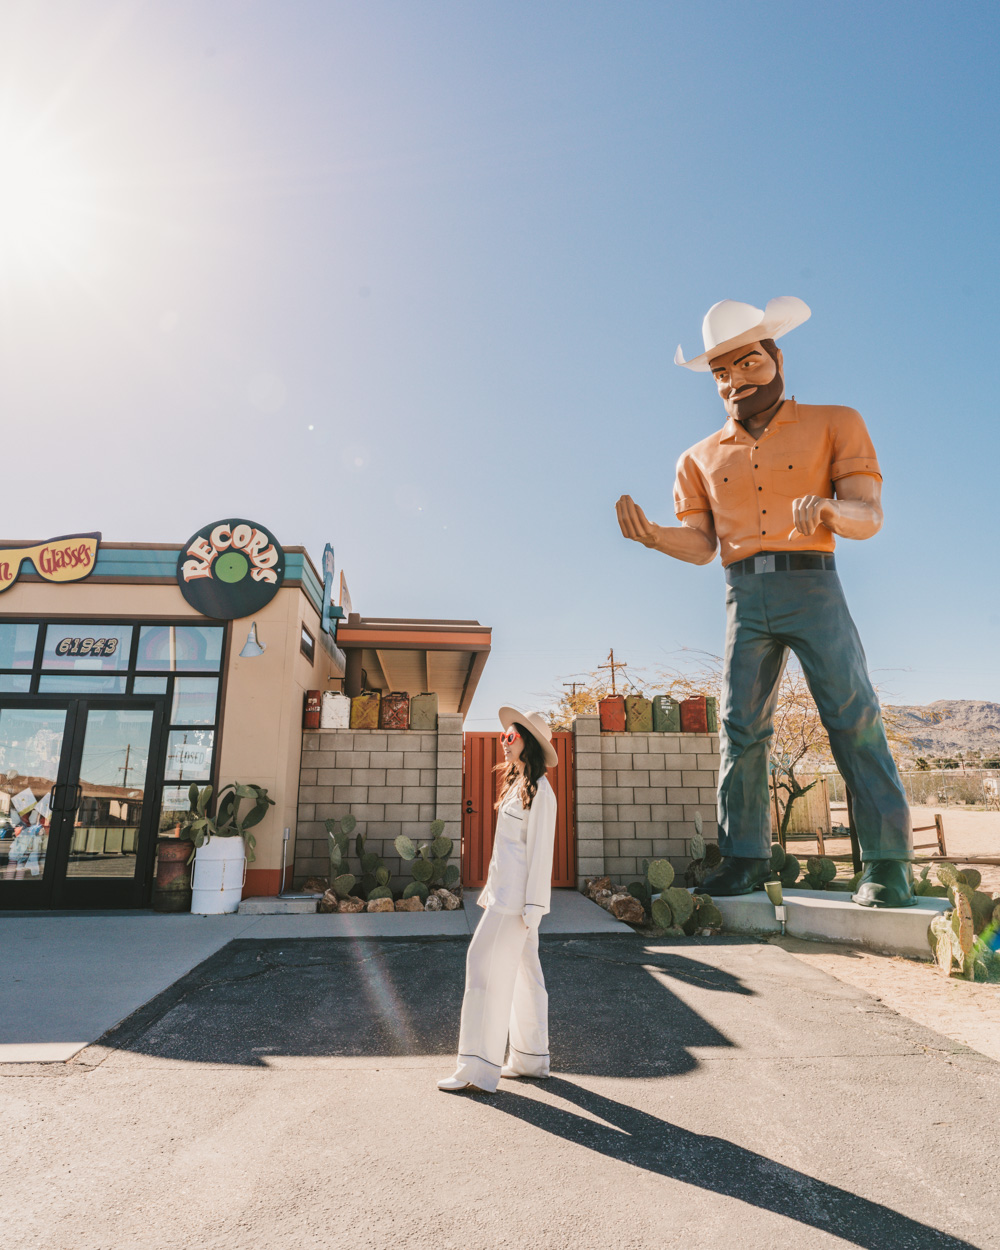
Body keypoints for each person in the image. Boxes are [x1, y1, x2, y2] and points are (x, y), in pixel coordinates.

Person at [616, 296, 914, 908]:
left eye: (746, 363)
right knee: (740, 726)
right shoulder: (696, 458)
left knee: (852, 714)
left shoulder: (837, 422)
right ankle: (744, 858)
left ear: (775, 356)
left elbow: (870, 514)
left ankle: (887, 863)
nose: (734, 381)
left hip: (814, 583)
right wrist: (653, 537)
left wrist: (831, 509)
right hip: (742, 591)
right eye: (721, 372)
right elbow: (701, 545)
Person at [438, 706, 558, 1092]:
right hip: (504, 897)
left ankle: (476, 1069)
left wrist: (534, 908)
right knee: (526, 978)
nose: (502, 743)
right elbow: (507, 852)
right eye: (502, 736)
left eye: (510, 737)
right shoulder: (517, 786)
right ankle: (530, 1061)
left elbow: (541, 854)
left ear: (528, 742)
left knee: (482, 965)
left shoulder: (541, 792)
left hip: (518, 904)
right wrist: (491, 892)